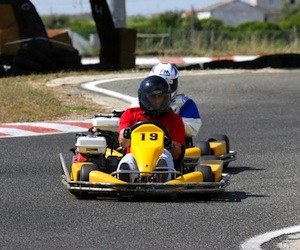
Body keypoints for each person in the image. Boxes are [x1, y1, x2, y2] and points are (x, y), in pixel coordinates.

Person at [117, 75, 186, 182]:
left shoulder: (174, 119)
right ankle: (126, 176)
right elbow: (123, 144)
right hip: (136, 155)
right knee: (128, 160)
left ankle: (161, 174)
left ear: (167, 97)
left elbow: (176, 154)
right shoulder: (130, 114)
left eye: (160, 97)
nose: (157, 101)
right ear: (143, 98)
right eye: (153, 97)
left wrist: (169, 145)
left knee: (164, 157)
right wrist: (126, 134)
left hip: (162, 155)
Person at [131, 63, 202, 140]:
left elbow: (193, 130)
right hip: (139, 144)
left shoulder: (183, 103)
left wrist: (171, 119)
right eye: (159, 84)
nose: (163, 88)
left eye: (168, 84)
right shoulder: (139, 102)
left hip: (173, 144)